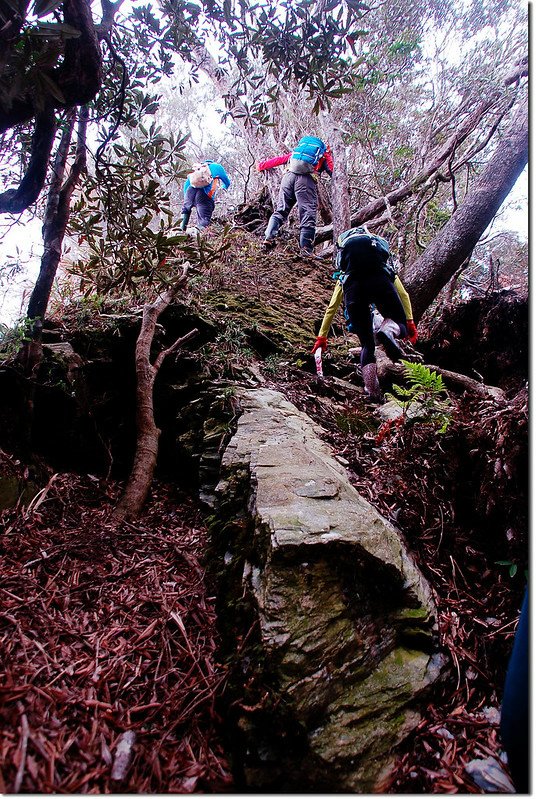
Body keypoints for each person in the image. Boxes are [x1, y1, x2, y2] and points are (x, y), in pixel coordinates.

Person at [312, 226, 413, 402]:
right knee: (401, 324)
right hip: (380, 281)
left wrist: (322, 337)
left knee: (368, 345)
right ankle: (389, 329)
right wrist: (410, 322)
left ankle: (372, 390)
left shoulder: (345, 276)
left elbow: (331, 307)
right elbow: (404, 295)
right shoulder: (384, 268)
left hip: (354, 289)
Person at [257, 135, 333, 256]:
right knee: (308, 213)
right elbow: (332, 170)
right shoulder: (323, 155)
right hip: (305, 181)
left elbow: (280, 159)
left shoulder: (297, 154)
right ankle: (306, 250)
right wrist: (344, 185)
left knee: (281, 210)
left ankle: (268, 237)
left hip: (288, 177)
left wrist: (262, 166)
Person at [180, 159, 231, 230]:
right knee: (204, 219)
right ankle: (197, 235)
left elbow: (187, 184)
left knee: (186, 209)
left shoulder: (197, 169)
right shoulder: (217, 167)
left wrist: (187, 199)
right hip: (204, 194)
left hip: (190, 191)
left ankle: (181, 230)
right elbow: (227, 182)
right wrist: (223, 187)